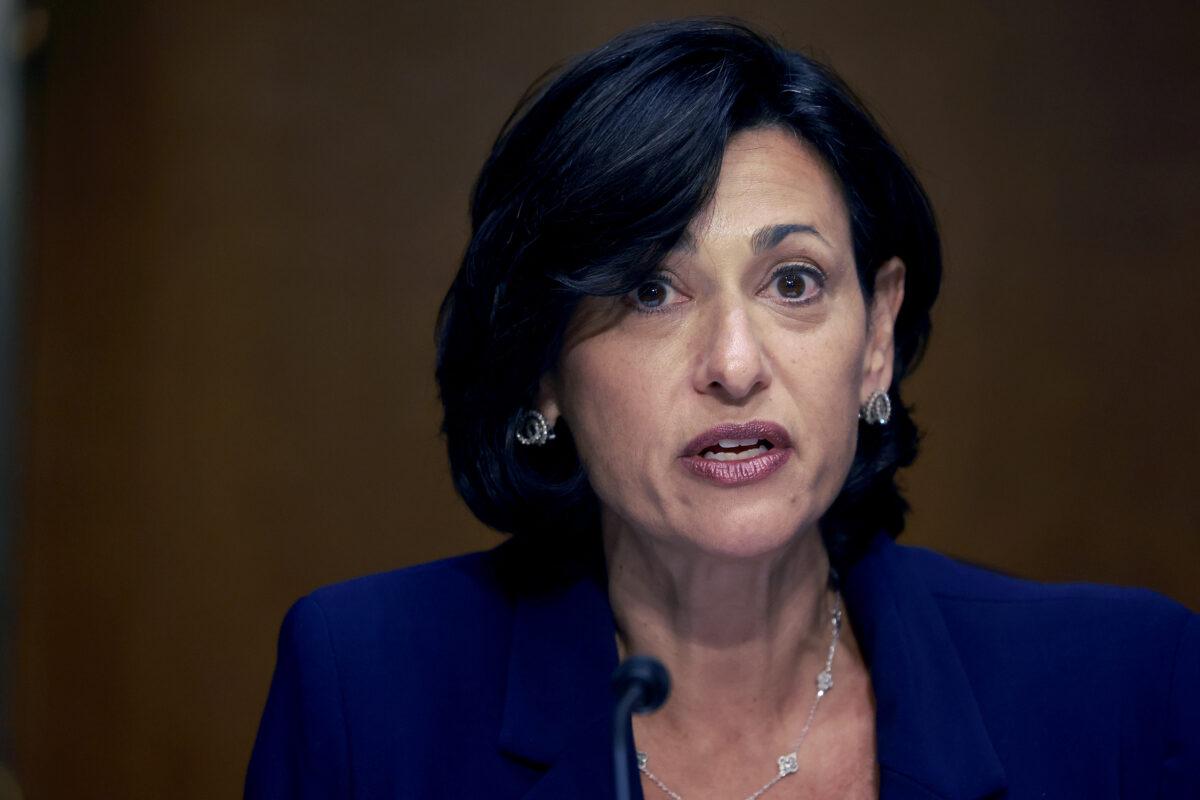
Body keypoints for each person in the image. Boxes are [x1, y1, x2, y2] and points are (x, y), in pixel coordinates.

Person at [245, 18, 1199, 800]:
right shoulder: (364, 691)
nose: (735, 366)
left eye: (794, 281)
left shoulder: (1123, 688)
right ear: (542, 368)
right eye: (653, 293)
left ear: (875, 341)